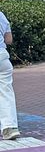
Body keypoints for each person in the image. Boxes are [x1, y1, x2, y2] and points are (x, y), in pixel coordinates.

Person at [0, 8, 19, 140]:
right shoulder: (1, 15)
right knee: (6, 92)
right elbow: (8, 40)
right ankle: (9, 127)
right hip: (2, 57)